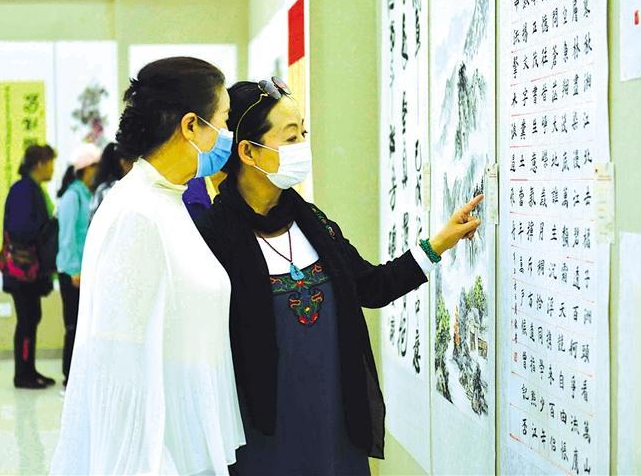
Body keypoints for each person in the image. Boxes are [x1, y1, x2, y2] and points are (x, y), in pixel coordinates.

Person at [195, 78, 483, 476]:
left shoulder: (312, 223)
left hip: (336, 426)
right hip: (263, 437)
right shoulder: (211, 238)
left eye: (303, 133)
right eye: (290, 137)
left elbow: (373, 286)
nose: (302, 146)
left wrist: (439, 243)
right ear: (248, 151)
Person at [50, 57, 245, 475]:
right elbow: (118, 369)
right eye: (225, 120)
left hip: (184, 441)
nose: (228, 135)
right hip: (156, 457)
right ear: (191, 126)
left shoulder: (166, 199)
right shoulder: (137, 214)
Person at [1, 144, 58, 390]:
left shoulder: (31, 189)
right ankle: (23, 375)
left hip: (29, 272)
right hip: (22, 271)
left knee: (31, 318)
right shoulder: (24, 190)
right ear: (40, 164)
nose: (52, 169)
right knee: (26, 320)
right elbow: (21, 229)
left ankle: (29, 370)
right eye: (50, 163)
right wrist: (49, 228)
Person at [56, 143, 101, 388]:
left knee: (84, 327)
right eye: (95, 167)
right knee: (73, 326)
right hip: (73, 273)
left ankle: (80, 378)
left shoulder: (86, 194)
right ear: (86, 169)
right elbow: (67, 238)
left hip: (85, 271)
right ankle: (68, 378)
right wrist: (75, 270)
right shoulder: (72, 197)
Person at [89, 142, 136, 218]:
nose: (133, 166)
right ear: (122, 162)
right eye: (132, 161)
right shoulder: (116, 189)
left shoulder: (102, 188)